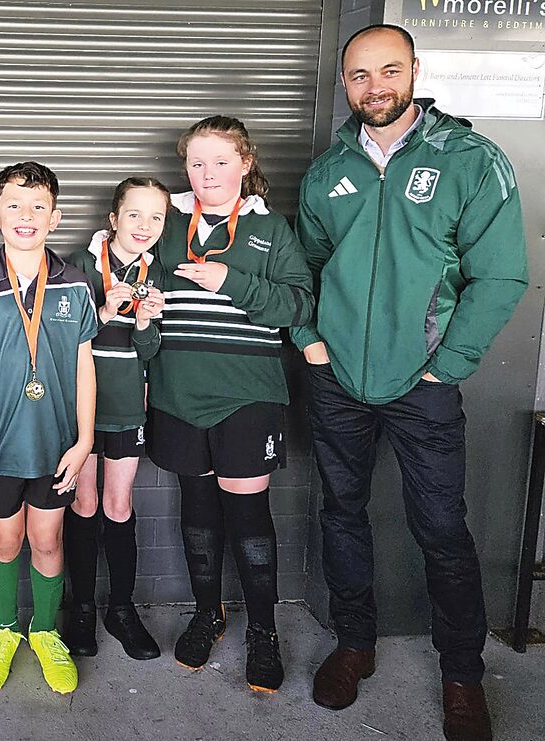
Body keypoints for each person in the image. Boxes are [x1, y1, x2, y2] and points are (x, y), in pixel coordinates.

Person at [292, 24, 527, 741]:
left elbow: (501, 274)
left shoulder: (469, 160)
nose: (375, 87)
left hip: (423, 384)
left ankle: (462, 675)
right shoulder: (328, 171)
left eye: (389, 71)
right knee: (342, 513)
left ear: (415, 71)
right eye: (359, 75)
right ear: (344, 83)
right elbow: (308, 269)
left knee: (443, 530)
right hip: (338, 381)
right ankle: (354, 644)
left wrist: (446, 365)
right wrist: (311, 341)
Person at [145, 116, 314, 693]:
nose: (208, 173)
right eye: (196, 163)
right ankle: (207, 614)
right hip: (177, 392)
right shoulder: (165, 220)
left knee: (247, 515)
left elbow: (298, 306)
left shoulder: (271, 228)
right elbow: (127, 267)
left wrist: (231, 281)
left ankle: (264, 631)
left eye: (220, 161)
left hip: (247, 395)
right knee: (197, 509)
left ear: (245, 163)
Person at [0, 161, 98, 695]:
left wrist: (85, 440)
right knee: (5, 540)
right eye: (13, 205)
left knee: (48, 540)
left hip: (56, 447)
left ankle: (46, 631)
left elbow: (84, 368)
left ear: (55, 218)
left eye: (37, 206)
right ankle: (5, 630)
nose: (25, 215)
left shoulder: (76, 286)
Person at [63, 177, 168, 660]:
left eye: (156, 217)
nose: (144, 226)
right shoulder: (80, 265)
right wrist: (104, 311)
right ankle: (81, 607)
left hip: (127, 405)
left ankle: (121, 608)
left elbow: (149, 351)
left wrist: (144, 323)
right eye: (134, 214)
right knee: (83, 503)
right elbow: (64, 339)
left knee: (119, 504)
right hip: (83, 403)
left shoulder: (157, 270)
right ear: (113, 219)